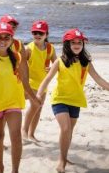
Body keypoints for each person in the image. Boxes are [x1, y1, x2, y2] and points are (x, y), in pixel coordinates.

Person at [36, 28, 109, 173]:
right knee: (65, 128)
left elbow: (98, 79)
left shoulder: (86, 63)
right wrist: (38, 94)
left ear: (83, 44)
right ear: (67, 44)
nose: (77, 45)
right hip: (60, 99)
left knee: (69, 133)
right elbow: (47, 79)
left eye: (79, 42)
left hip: (76, 101)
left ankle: (64, 156)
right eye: (73, 42)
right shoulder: (60, 61)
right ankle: (61, 161)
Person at [0, 22, 40, 173]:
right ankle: (0, 167)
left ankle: (15, 170)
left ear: (12, 39)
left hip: (14, 102)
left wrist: (34, 98)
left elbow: (25, 80)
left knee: (15, 136)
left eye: (7, 37)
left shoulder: (18, 57)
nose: (3, 40)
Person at [0, 14, 28, 143]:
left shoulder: (18, 44)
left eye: (13, 26)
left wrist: (25, 85)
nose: (11, 27)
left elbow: (24, 66)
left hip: (13, 85)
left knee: (9, 114)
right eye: (9, 25)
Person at [22, 20, 57, 142]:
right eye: (35, 32)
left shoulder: (50, 48)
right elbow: (21, 65)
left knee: (38, 109)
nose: (37, 35)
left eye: (40, 33)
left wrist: (51, 68)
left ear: (46, 34)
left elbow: (57, 64)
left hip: (43, 84)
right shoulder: (29, 48)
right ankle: (24, 131)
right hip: (30, 82)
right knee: (34, 106)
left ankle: (31, 134)